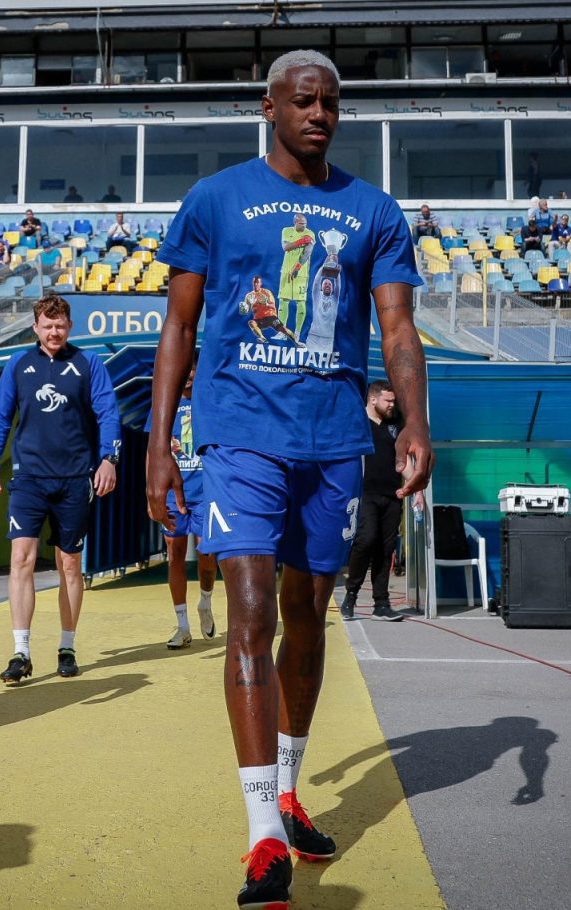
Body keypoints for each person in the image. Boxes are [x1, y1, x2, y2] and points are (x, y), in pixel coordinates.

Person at [147, 49, 432, 908]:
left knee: (308, 618)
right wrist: (160, 443)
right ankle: (262, 834)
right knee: (252, 612)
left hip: (334, 440)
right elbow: (178, 325)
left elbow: (398, 327)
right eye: (305, 101)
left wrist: (416, 422)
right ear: (268, 106)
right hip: (239, 435)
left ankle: (289, 789)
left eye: (331, 104)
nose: (320, 115)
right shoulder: (215, 198)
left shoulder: (373, 210)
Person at [0, 293, 121, 685]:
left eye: (60, 325)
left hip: (75, 479)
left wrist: (109, 459)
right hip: (28, 479)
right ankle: (21, 652)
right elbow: (0, 417)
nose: (54, 332)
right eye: (47, 325)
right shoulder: (18, 364)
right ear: (36, 327)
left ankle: (67, 646)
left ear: (69, 327)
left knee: (69, 564)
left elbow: (108, 414)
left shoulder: (89, 364)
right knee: (21, 559)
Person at [157, 363, 219, 649]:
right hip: (173, 493)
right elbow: (152, 452)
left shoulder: (210, 400)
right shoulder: (164, 403)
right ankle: (182, 626)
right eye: (183, 370)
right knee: (175, 555)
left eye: (192, 369)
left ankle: (205, 602)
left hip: (205, 491)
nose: (187, 375)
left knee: (207, 551)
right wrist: (152, 495)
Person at [339, 381, 408, 621]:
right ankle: (351, 596)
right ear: (373, 399)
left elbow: (403, 460)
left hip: (392, 495)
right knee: (366, 540)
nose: (392, 405)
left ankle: (381, 604)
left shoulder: (395, 424)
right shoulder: (358, 423)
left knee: (385, 549)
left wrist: (415, 487)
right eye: (388, 401)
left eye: (393, 401)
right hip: (365, 493)